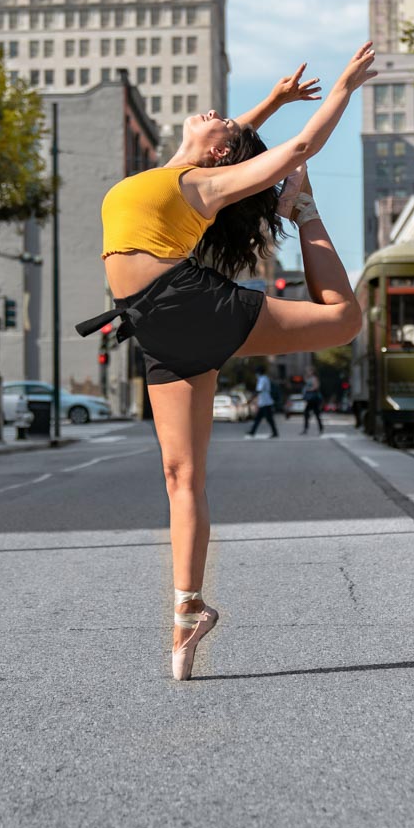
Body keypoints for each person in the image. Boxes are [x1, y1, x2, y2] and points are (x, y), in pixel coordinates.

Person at [77, 47, 375, 680]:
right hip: (158, 325)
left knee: (345, 322)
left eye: (223, 128)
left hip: (184, 304)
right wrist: (270, 101)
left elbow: (289, 151)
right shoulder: (177, 173)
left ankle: (308, 213)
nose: (216, 116)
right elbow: (230, 138)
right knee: (180, 477)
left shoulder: (199, 185)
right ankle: (188, 610)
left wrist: (342, 89)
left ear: (216, 156)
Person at [247, 367, 279, 438]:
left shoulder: (262, 379)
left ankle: (275, 432)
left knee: (269, 419)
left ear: (259, 372)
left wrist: (251, 399)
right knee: (258, 418)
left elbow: (259, 390)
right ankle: (252, 431)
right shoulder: (264, 378)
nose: (256, 374)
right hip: (263, 403)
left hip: (266, 403)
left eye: (256, 372)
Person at [302, 369, 323, 434]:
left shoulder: (314, 378)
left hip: (314, 399)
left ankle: (320, 428)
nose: (308, 372)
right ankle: (307, 428)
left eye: (309, 370)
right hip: (310, 399)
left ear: (312, 371)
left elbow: (316, 387)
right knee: (307, 413)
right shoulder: (309, 378)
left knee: (315, 414)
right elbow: (305, 380)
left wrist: (309, 390)